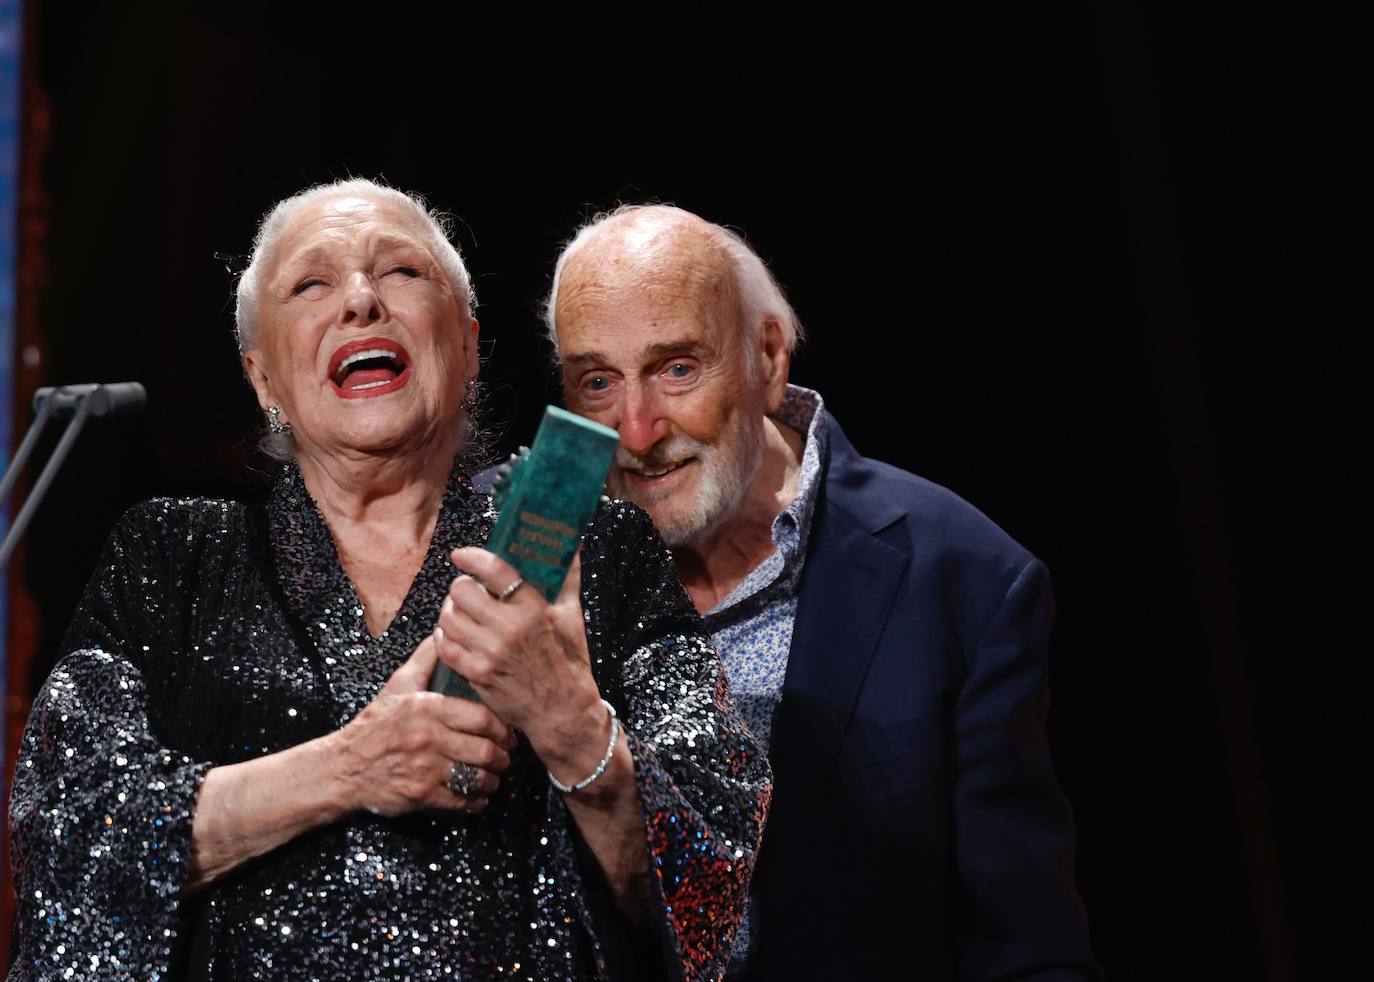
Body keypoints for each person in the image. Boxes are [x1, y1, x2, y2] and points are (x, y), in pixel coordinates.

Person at [7, 182, 769, 982]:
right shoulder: (171, 555)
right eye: (312, 284)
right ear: (264, 379)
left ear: (469, 344)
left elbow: (712, 886)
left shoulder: (601, 554)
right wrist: (347, 767)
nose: (361, 302)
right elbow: (64, 836)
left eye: (401, 272)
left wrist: (571, 723)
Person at [545, 205, 1100, 980]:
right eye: (597, 382)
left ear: (767, 358)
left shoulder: (963, 577)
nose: (637, 431)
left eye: (677, 369)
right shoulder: (536, 547)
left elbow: (1024, 949)